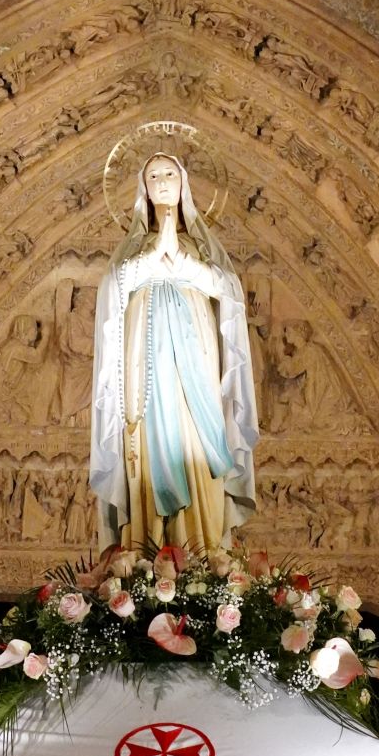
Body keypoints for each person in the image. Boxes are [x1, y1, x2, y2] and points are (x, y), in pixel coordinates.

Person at [91, 151, 258, 550]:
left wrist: (178, 259)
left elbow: (227, 291)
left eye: (169, 174)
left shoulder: (201, 248)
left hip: (196, 369)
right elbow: (112, 291)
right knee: (149, 443)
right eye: (153, 176)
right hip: (143, 374)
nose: (162, 181)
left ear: (184, 183)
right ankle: (146, 548)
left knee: (197, 441)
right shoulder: (131, 252)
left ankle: (205, 548)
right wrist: (153, 256)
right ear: (144, 190)